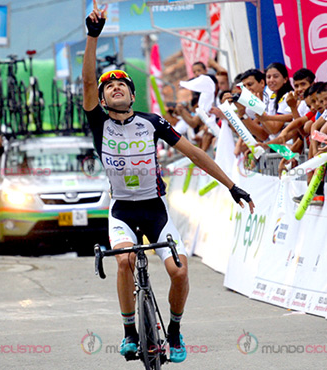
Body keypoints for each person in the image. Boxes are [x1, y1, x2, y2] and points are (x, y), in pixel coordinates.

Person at [82, 3, 255, 364]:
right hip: (122, 211)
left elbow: (194, 153)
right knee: (125, 260)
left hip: (155, 209)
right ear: (101, 99)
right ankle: (130, 332)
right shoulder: (100, 124)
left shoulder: (154, 122)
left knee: (179, 270)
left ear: (132, 95)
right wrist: (92, 37)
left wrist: (230, 185)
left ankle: (174, 331)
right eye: (108, 86)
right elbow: (86, 81)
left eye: (121, 85)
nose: (115, 88)